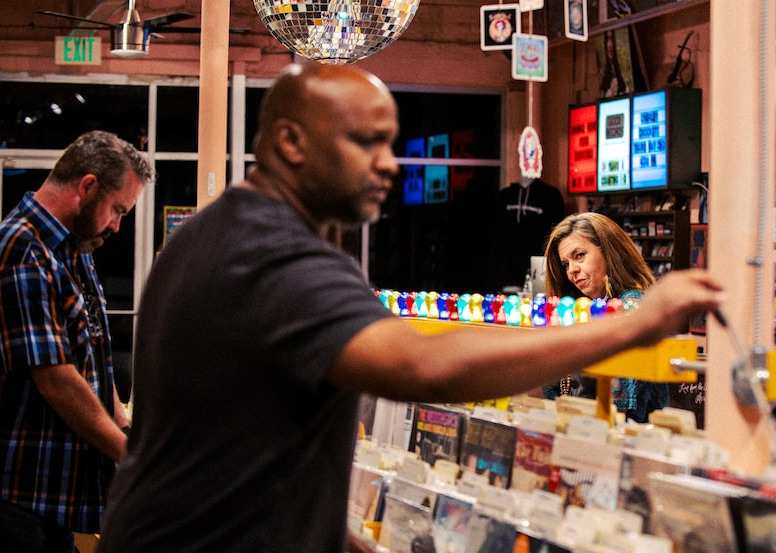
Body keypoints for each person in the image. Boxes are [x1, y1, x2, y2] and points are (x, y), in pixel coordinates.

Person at [97, 63, 723, 553]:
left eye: (390, 142)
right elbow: (423, 366)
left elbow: (235, 446)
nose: (390, 163)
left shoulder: (216, 233)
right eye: (366, 142)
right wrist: (634, 323)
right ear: (289, 141)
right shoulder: (273, 256)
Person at [0, 130, 154, 551]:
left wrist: (126, 427)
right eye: (117, 210)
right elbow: (56, 378)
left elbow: (91, 359)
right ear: (87, 186)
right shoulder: (21, 249)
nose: (116, 225)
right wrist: (131, 457)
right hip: (9, 495)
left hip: (50, 496)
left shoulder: (73, 253)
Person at [542, 212, 669, 422]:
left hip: (621, 442)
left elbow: (619, 410)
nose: (572, 270)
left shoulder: (632, 305)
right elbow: (556, 389)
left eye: (580, 256)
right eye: (565, 264)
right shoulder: (582, 308)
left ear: (609, 253)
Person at [600, 29, 628, 98]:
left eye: (611, 38)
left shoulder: (622, 69)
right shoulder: (603, 73)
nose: (610, 44)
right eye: (608, 38)